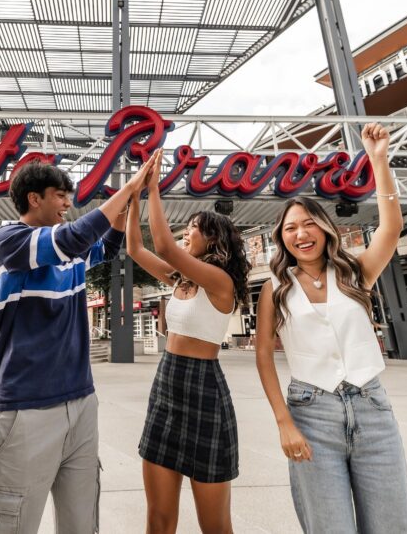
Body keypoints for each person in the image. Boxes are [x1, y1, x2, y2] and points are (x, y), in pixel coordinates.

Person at [0, 158, 153, 534]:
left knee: (81, 522)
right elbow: (72, 238)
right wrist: (129, 187)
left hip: (81, 403)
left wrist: (129, 203)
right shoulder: (8, 241)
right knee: (9, 523)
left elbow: (105, 247)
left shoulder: (68, 252)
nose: (67, 204)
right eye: (60, 196)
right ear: (34, 198)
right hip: (25, 408)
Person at [255, 123, 407, 533]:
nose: (300, 233)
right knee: (330, 527)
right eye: (290, 228)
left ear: (325, 229)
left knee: (391, 524)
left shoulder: (356, 272)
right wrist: (283, 422)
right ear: (281, 238)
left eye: (308, 224)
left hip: (372, 408)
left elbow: (391, 229)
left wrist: (378, 160)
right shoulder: (275, 287)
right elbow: (263, 358)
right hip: (311, 413)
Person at [127, 149, 250, 534]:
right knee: (159, 518)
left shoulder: (221, 282)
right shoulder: (181, 280)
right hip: (166, 387)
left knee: (214, 525)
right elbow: (137, 249)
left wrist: (154, 188)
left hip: (205, 392)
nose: (186, 232)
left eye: (193, 227)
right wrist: (134, 198)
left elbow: (164, 246)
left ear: (213, 237)